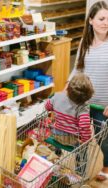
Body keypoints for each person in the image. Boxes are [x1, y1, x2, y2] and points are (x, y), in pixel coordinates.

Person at [69, 1, 108, 181]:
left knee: (104, 141)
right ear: (91, 20)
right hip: (83, 102)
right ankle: (79, 170)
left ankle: (106, 167)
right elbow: (77, 71)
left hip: (103, 106)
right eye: (101, 18)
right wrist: (64, 93)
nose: (105, 22)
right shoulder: (84, 43)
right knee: (80, 138)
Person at [45, 73, 94, 145]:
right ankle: (80, 155)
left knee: (55, 122)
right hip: (72, 139)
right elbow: (84, 125)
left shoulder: (58, 96)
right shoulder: (83, 106)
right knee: (88, 133)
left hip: (55, 134)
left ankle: (57, 150)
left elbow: (47, 106)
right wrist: (86, 140)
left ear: (68, 87)